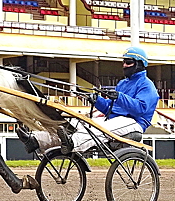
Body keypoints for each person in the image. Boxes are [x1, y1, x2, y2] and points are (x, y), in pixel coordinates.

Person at [17, 46, 160, 154]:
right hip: (113, 119)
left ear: (139, 64)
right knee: (77, 124)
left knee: (98, 129)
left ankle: (72, 144)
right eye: (123, 62)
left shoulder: (147, 86)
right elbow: (111, 108)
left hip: (134, 123)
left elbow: (140, 108)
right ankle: (36, 139)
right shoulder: (122, 83)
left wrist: (119, 97)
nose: (124, 65)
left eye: (128, 62)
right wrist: (96, 100)